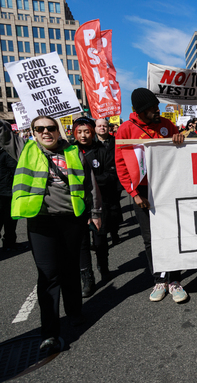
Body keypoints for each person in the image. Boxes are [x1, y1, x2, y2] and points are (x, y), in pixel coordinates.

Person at [0, 115, 102, 353]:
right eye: (40, 129)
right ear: (33, 132)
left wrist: (95, 212)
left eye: (50, 128)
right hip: (41, 223)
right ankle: (50, 333)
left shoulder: (75, 152)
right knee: (48, 275)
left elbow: (90, 185)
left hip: (71, 220)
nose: (45, 132)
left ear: (58, 131)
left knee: (69, 270)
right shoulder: (25, 150)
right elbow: (4, 135)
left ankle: (74, 311)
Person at [115, 88, 188, 303]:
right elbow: (121, 166)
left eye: (157, 106)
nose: (157, 110)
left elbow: (180, 154)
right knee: (150, 238)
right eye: (151, 109)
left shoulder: (167, 125)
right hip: (142, 191)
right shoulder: (126, 130)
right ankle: (159, 279)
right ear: (139, 111)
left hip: (167, 188)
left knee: (172, 234)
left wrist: (180, 139)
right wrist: (134, 194)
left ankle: (175, 280)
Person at [73, 117, 117, 297]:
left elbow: (111, 175)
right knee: (82, 243)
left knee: (99, 239)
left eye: (87, 131)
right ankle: (87, 279)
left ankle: (103, 267)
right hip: (78, 205)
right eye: (79, 132)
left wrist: (90, 183)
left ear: (92, 132)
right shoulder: (70, 151)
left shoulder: (102, 150)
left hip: (100, 203)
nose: (83, 135)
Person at [95, 118, 123, 244]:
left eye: (104, 126)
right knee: (101, 210)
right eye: (99, 126)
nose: (102, 128)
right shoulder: (91, 143)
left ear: (109, 128)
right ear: (95, 128)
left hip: (114, 182)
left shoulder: (116, 142)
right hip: (98, 183)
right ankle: (101, 236)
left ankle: (114, 231)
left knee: (114, 209)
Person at [0, 146, 19, 252]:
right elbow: (15, 170)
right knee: (10, 220)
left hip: (4, 190)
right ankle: (9, 243)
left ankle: (9, 242)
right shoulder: (7, 153)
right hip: (7, 191)